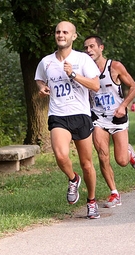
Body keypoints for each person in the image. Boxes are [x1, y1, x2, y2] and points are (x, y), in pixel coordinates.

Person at [35, 21, 101, 219]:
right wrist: (41, 87)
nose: (61, 35)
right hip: (58, 115)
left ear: (74, 36)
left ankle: (91, 201)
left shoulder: (82, 60)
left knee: (87, 163)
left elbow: (95, 86)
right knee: (61, 155)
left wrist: (73, 74)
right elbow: (39, 78)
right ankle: (73, 178)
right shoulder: (46, 62)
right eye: (58, 32)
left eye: (65, 32)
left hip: (80, 115)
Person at [83, 35, 135, 208]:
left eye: (92, 46)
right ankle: (114, 193)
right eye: (86, 48)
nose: (89, 50)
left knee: (121, 161)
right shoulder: (85, 70)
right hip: (98, 118)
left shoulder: (114, 67)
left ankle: (129, 153)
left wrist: (123, 105)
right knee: (102, 155)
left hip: (117, 117)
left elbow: (134, 87)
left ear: (101, 48)